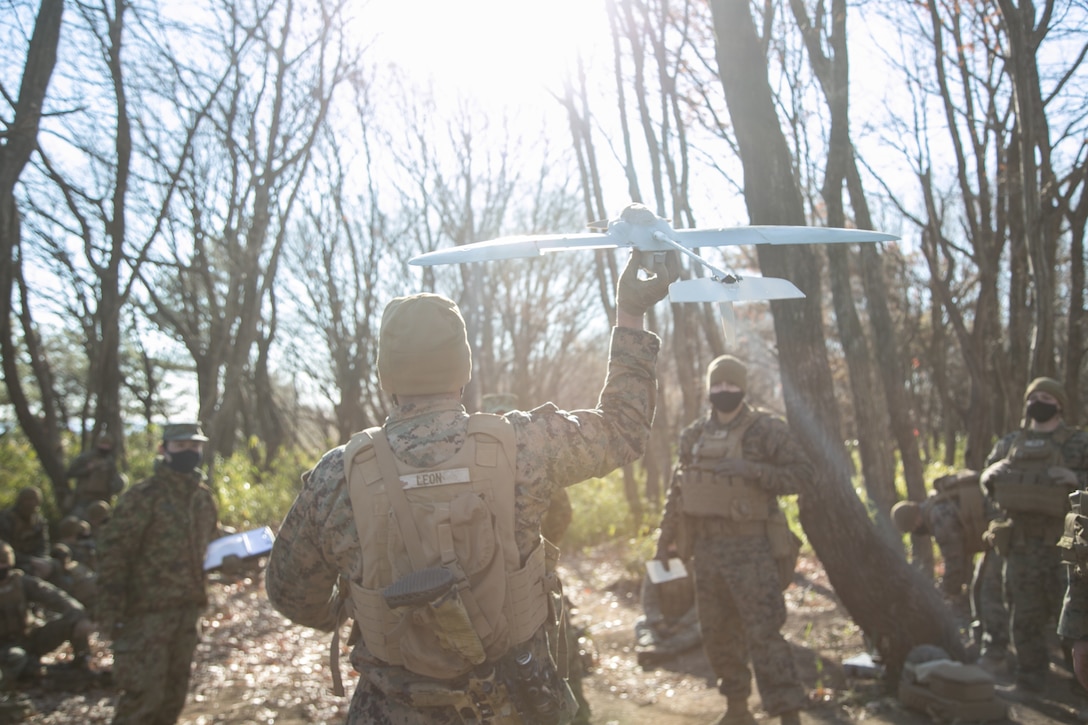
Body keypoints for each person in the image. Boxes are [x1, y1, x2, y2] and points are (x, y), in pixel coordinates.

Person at [266, 248, 677, 724]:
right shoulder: (523, 444)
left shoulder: (338, 474)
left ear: (385, 377)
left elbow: (290, 593)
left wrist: (364, 612)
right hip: (516, 704)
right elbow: (624, 428)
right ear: (463, 370)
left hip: (391, 709)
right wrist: (632, 312)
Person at [654, 354, 810, 725]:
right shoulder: (693, 435)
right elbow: (678, 492)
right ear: (709, 388)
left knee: (764, 632)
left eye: (731, 384)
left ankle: (788, 711)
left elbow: (803, 475)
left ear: (743, 386)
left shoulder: (767, 430)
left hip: (752, 549)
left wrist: (752, 469)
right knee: (717, 633)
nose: (724, 390)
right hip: (705, 551)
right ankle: (737, 708)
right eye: (718, 384)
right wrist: (665, 541)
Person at [96, 423, 219, 725]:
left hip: (187, 614)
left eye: (194, 446)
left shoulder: (203, 498)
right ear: (164, 449)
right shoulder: (142, 497)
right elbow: (114, 556)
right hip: (145, 618)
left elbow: (206, 548)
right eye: (180, 446)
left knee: (172, 699)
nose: (188, 452)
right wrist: (110, 615)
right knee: (142, 702)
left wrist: (227, 560)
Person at [980, 376, 1088, 693]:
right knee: (1023, 616)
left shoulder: (1078, 442)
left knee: (1073, 620)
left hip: (1068, 546)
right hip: (1021, 544)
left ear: (1059, 404)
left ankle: (1081, 689)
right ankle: (1029, 680)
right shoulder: (1010, 443)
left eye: (1044, 397)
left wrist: (1075, 477)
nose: (1036, 402)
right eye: (1032, 397)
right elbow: (988, 484)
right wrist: (989, 475)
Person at [0, 541, 94, 686]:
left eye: (4, 569)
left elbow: (54, 596)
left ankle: (82, 663)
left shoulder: (21, 582)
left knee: (74, 619)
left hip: (30, 638)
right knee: (16, 658)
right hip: (5, 648)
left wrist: (80, 615)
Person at [63, 432, 127, 519]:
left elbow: (115, 480)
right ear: (98, 443)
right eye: (103, 443)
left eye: (107, 444)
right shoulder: (85, 458)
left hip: (102, 499)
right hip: (84, 498)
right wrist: (87, 469)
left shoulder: (110, 462)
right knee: (77, 521)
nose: (105, 447)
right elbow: (70, 473)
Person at [0, 487, 51, 578]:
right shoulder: (6, 519)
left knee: (55, 565)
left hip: (35, 559)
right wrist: (30, 560)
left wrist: (41, 559)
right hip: (12, 561)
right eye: (27, 500)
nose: (31, 503)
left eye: (34, 500)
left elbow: (43, 545)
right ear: (20, 501)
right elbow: (4, 550)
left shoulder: (39, 521)